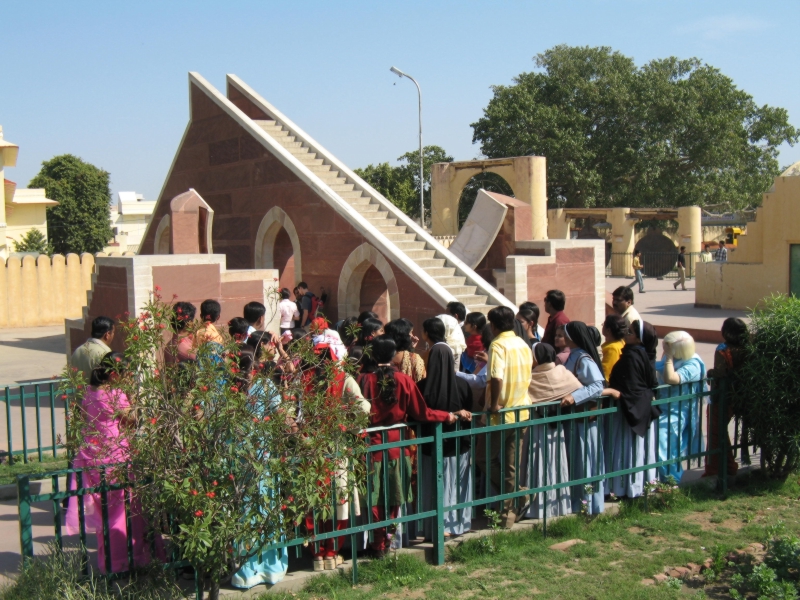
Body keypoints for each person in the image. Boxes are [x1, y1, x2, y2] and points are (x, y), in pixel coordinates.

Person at [357, 336, 467, 557]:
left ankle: (377, 542)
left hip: (371, 447)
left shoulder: (363, 380)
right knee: (394, 496)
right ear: (392, 355)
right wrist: (447, 416)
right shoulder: (404, 380)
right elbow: (422, 413)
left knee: (374, 497)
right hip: (399, 446)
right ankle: (387, 540)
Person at [66, 352, 164, 573]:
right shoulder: (116, 395)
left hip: (94, 456)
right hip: (116, 457)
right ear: (114, 374)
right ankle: (130, 560)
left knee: (107, 514)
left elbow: (86, 421)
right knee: (127, 510)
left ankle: (110, 561)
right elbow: (132, 420)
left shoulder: (89, 393)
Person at [476, 306, 533, 528]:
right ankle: (510, 510)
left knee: (484, 458)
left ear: (494, 325)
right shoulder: (522, 344)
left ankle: (513, 502)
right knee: (511, 466)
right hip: (521, 410)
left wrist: (493, 404)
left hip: (502, 413)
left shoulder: (498, 344)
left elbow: (497, 377)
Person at [417, 328, 473, 539]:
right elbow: (469, 410)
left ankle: (433, 528)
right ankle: (456, 524)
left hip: (430, 446)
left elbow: (418, 415)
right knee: (456, 486)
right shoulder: (462, 385)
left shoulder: (422, 387)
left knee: (433, 487)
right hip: (458, 445)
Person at [521, 343, 581, 518]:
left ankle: (538, 507)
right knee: (554, 464)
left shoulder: (530, 378)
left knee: (537, 464)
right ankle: (555, 505)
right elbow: (577, 388)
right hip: (555, 430)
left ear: (536, 358)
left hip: (538, 427)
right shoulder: (562, 372)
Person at [604, 320, 660, 498]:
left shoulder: (632, 357)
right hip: (637, 409)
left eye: (630, 332)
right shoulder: (641, 354)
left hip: (630, 414)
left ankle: (624, 488)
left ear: (638, 338)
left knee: (627, 452)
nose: (626, 334)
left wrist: (614, 392)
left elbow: (632, 387)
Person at [559, 321, 606, 515]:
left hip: (584, 421)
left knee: (586, 460)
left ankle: (589, 504)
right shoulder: (574, 356)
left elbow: (597, 386)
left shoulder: (583, 358)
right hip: (575, 420)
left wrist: (574, 397)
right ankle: (579, 503)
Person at [655, 331, 706, 483]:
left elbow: (671, 378)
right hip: (664, 409)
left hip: (677, 413)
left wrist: (669, 357)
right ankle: (666, 480)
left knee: (664, 447)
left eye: (667, 347)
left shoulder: (693, 364)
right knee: (665, 448)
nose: (664, 350)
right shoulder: (673, 358)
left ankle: (673, 481)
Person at [704, 317, 747, 479]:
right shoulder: (746, 349)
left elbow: (720, 373)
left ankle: (717, 469)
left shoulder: (723, 349)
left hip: (722, 397)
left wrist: (710, 373)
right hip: (738, 395)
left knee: (716, 434)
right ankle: (728, 465)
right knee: (721, 433)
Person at [71, 316, 116, 382]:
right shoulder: (106, 353)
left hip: (79, 392)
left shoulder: (78, 350)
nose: (113, 335)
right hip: (97, 392)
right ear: (107, 334)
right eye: (113, 332)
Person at [384, 318, 426, 382]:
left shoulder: (381, 355)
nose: (412, 335)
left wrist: (410, 348)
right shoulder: (414, 359)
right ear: (405, 336)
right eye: (411, 332)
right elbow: (422, 380)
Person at [600, 315, 627, 381]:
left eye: (603, 324)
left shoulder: (612, 349)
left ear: (608, 330)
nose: (602, 326)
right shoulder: (621, 342)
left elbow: (606, 375)